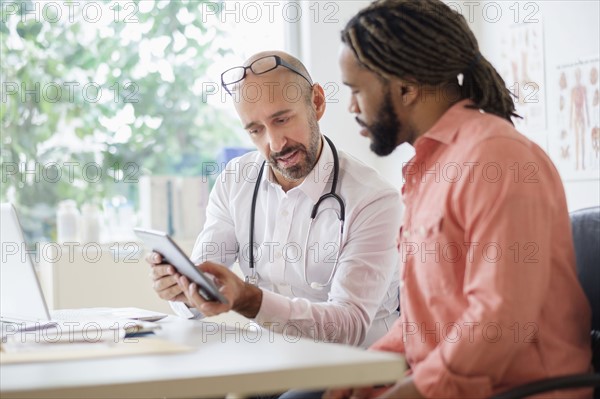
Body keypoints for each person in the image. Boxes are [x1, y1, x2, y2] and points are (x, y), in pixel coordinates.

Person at [285, 1, 593, 398]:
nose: (352, 107)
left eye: (358, 90)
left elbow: (498, 319)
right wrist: (368, 369)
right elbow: (426, 319)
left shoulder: (497, 159)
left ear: (408, 87)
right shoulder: (429, 169)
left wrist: (415, 390)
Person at [147, 51, 401, 348]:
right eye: (256, 130)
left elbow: (348, 327)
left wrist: (248, 299)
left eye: (282, 119)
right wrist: (183, 290)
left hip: (352, 367)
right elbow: (206, 278)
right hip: (270, 359)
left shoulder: (374, 199)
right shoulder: (235, 181)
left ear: (316, 102)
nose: (275, 144)